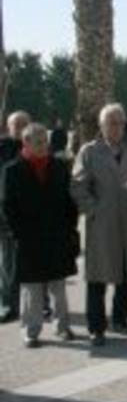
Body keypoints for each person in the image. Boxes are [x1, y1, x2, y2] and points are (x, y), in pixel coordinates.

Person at [72, 104, 127, 347]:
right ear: (101, 125)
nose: (115, 127)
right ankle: (96, 327)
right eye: (110, 123)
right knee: (98, 278)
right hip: (102, 223)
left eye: (119, 122)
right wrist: (93, 210)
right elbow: (77, 185)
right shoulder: (90, 151)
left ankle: (120, 318)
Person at [2, 123, 79, 347]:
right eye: (38, 142)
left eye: (45, 141)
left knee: (58, 286)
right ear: (25, 143)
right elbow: (8, 207)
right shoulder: (12, 170)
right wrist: (19, 235)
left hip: (56, 236)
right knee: (31, 289)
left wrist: (69, 228)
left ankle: (62, 327)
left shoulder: (59, 166)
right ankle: (31, 331)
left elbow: (69, 202)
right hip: (28, 239)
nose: (44, 146)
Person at [0, 110, 30, 323]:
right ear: (8, 127)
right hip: (7, 216)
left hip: (34, 217)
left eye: (23, 124)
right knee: (8, 263)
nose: (19, 129)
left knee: (36, 262)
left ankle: (40, 304)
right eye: (16, 125)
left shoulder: (37, 146)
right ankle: (9, 304)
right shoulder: (2, 148)